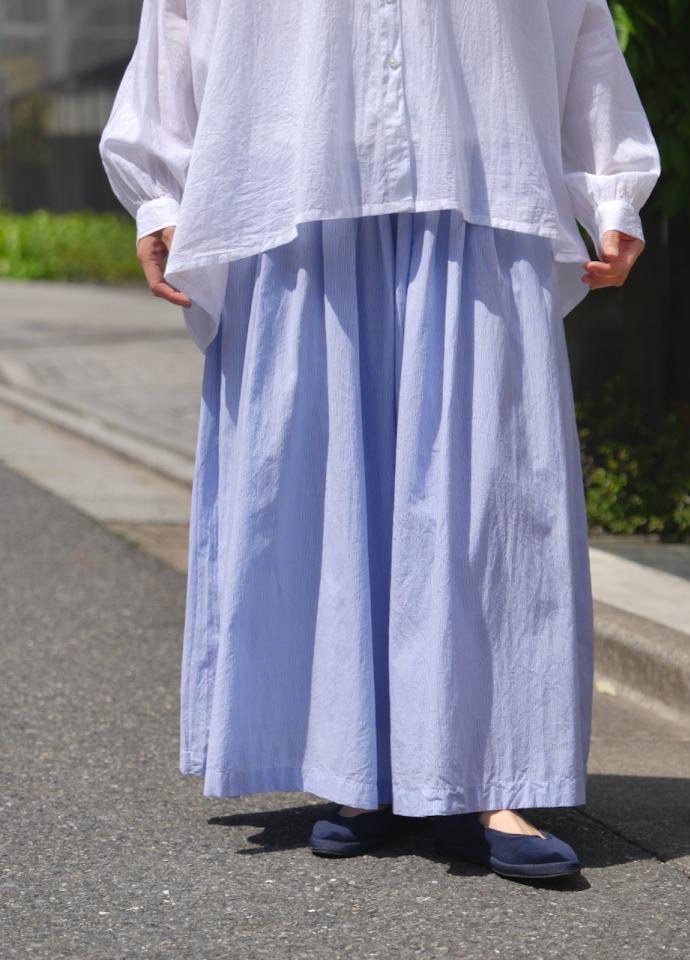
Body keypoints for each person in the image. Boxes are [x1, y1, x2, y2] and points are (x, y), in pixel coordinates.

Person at [99, 0, 660, 882]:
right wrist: (159, 193)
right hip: (289, 179)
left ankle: (492, 778)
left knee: (489, 489)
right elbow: (178, 16)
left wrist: (609, 181)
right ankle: (352, 766)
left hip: (478, 167)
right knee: (318, 490)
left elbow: (575, 15)